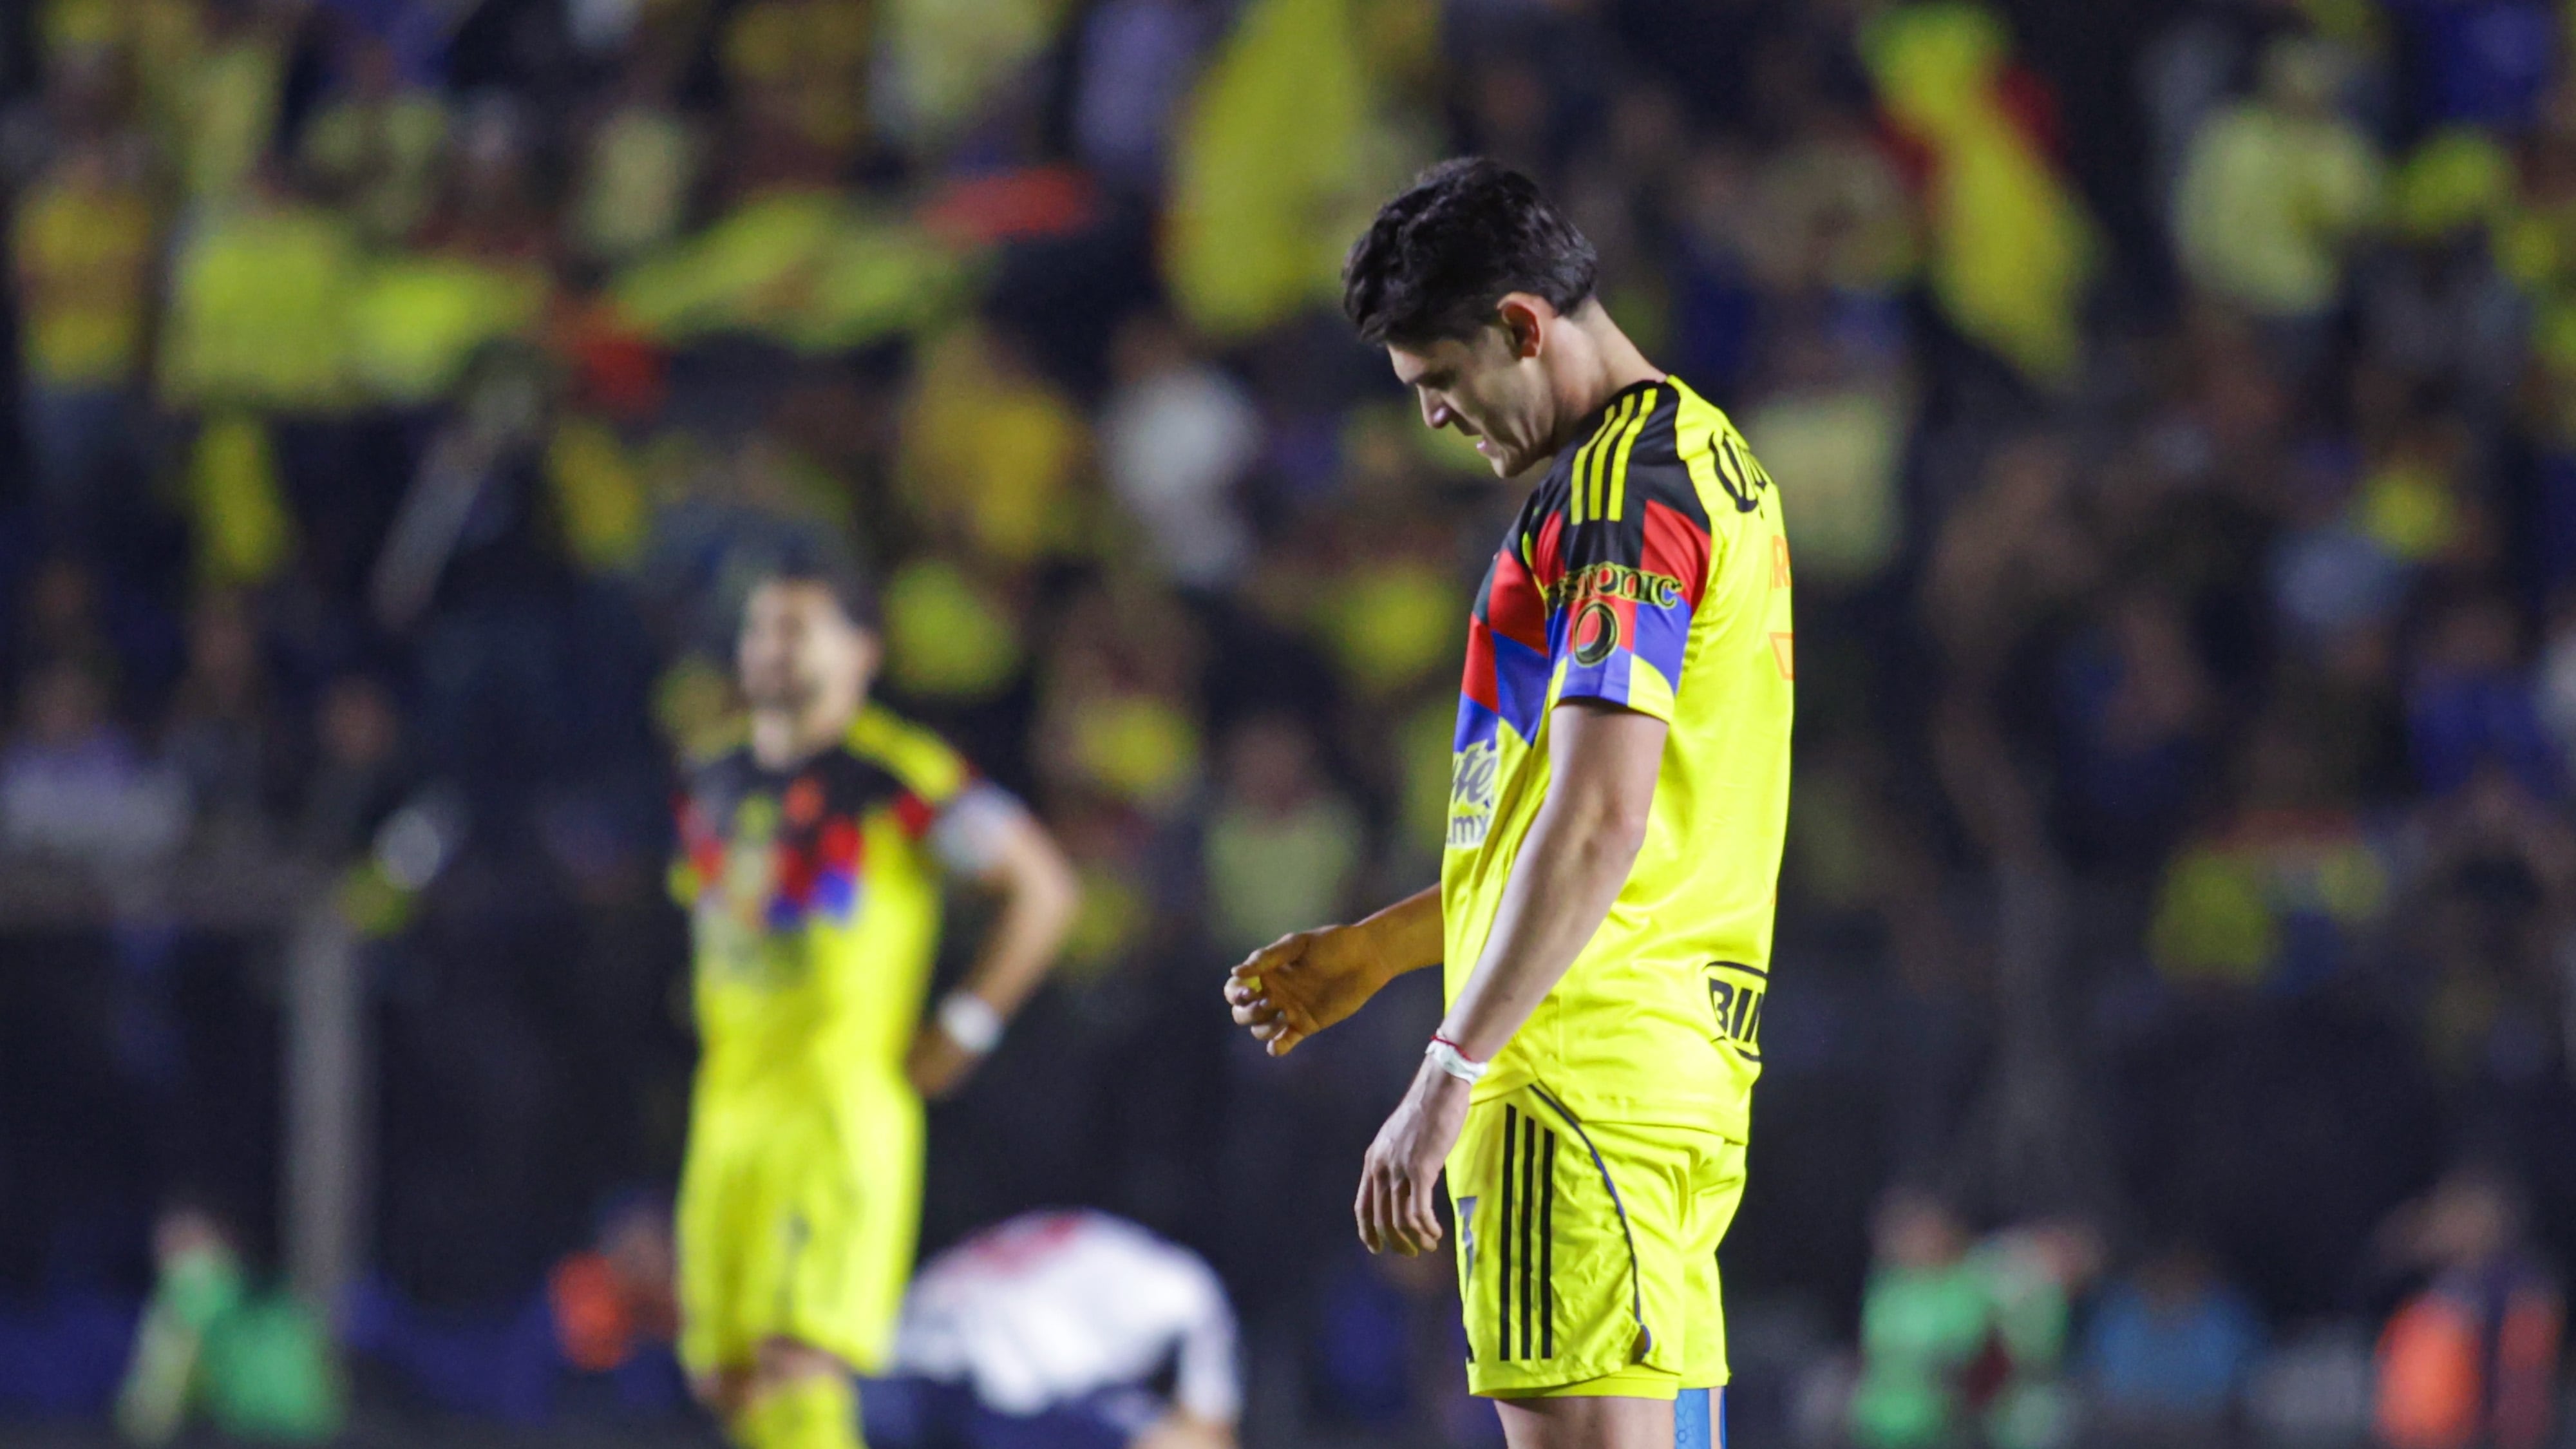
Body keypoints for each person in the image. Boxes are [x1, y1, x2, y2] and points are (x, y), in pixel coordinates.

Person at [1226, 157, 1795, 1449]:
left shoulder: (1618, 501)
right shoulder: (1714, 464)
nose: (1433, 417)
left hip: (1569, 1082)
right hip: (1672, 1073)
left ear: (1524, 327)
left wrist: (1446, 1072)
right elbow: (1615, 829)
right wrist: (1380, 950)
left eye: (1439, 378)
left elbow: (1596, 824)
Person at [672, 561, 1082, 1449]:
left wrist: (967, 1023)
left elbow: (1044, 887)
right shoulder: (713, 774)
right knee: (728, 1376)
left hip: (836, 1109)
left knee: (798, 1361)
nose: (771, 649)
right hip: (727, 1109)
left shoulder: (898, 776)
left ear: (863, 652)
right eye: (760, 629)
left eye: (797, 630)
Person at [867, 1209, 1239, 1449]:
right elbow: (1207, 1424)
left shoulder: (1070, 1232)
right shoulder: (1181, 1288)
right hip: (999, 1394)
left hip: (899, 1370)